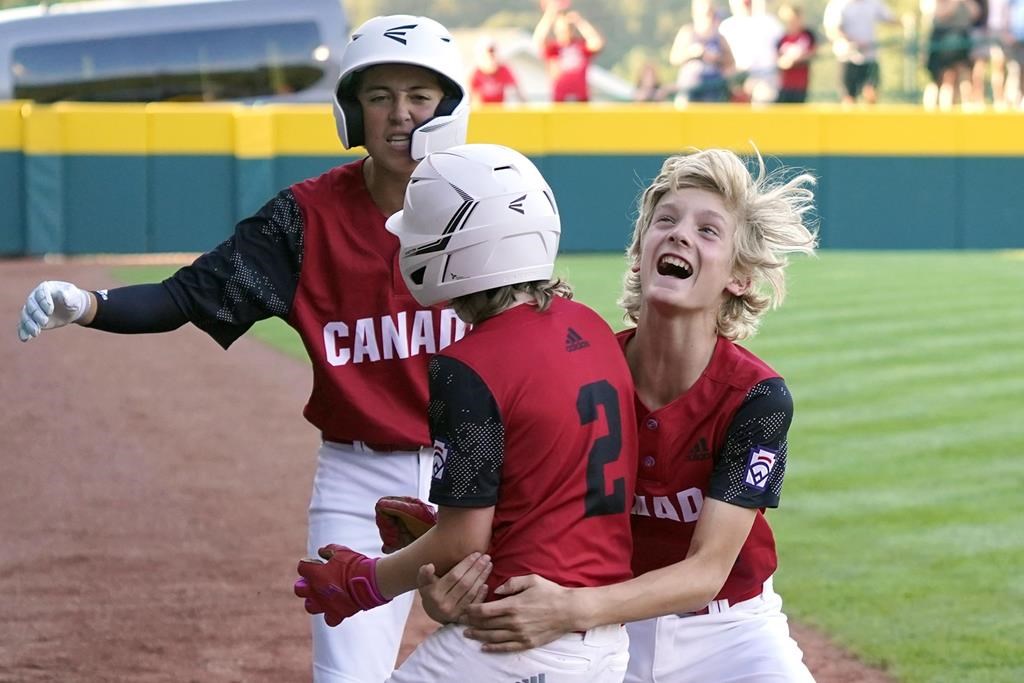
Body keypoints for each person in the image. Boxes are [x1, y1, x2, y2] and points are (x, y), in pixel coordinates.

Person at [16, 14, 470, 683]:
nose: (400, 114)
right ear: (353, 112)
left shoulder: (486, 202)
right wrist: (86, 305)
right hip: (359, 480)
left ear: (449, 107)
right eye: (379, 96)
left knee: (526, 646)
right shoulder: (305, 220)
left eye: (419, 97)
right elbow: (186, 294)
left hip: (479, 474)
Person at [418, 148, 820, 683]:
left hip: (726, 633)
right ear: (638, 251)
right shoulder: (580, 369)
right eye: (666, 220)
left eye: (708, 231)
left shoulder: (756, 397)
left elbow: (705, 572)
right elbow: (522, 522)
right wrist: (453, 587)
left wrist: (571, 610)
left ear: (740, 278)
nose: (679, 235)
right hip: (596, 636)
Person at [293, 143, 638, 682]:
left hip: (516, 637)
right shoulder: (592, 326)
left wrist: (365, 580)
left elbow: (462, 541)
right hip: (605, 642)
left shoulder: (468, 366)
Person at [823, 0, 905, 104]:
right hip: (847, 57)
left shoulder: (873, 3)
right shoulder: (838, 4)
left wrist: (906, 21)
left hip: (869, 57)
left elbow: (889, 19)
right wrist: (854, 42)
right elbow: (833, 30)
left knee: (871, 93)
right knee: (848, 98)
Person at [532, 1, 606, 102]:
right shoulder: (553, 49)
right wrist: (549, 16)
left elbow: (597, 43)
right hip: (560, 98)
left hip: (581, 98)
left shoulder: (580, 47)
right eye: (561, 29)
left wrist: (580, 22)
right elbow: (538, 40)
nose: (564, 31)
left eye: (567, 28)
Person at [669, 0, 736, 104]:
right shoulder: (687, 32)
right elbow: (674, 59)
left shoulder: (719, 37)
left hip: (713, 89)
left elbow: (731, 61)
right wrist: (691, 53)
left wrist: (716, 58)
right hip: (690, 88)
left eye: (709, 13)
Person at [718, 0, 785, 103]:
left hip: (765, 76)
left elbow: (783, 49)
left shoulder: (770, 23)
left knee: (763, 103)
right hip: (736, 78)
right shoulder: (726, 26)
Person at [921, 0, 981, 109]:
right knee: (941, 78)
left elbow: (976, 14)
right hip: (942, 39)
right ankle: (936, 109)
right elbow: (938, 14)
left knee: (960, 75)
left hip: (960, 37)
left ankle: (956, 107)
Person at [777, 4, 818, 102]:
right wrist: (784, 62)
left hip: (801, 84)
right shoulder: (782, 38)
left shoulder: (807, 35)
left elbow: (813, 53)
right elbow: (777, 58)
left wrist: (797, 60)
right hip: (785, 83)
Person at [469, 36, 526, 105]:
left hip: (499, 112)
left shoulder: (504, 70)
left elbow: (519, 93)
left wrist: (527, 108)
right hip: (481, 113)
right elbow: (468, 98)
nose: (491, 57)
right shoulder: (474, 73)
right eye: (488, 53)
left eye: (493, 53)